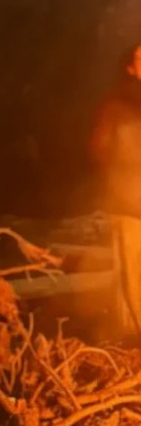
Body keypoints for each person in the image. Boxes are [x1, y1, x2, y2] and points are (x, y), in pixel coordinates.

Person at [91, 43, 141, 336]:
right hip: (129, 204)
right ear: (130, 67)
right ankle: (133, 339)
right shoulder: (118, 104)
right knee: (132, 278)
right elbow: (101, 148)